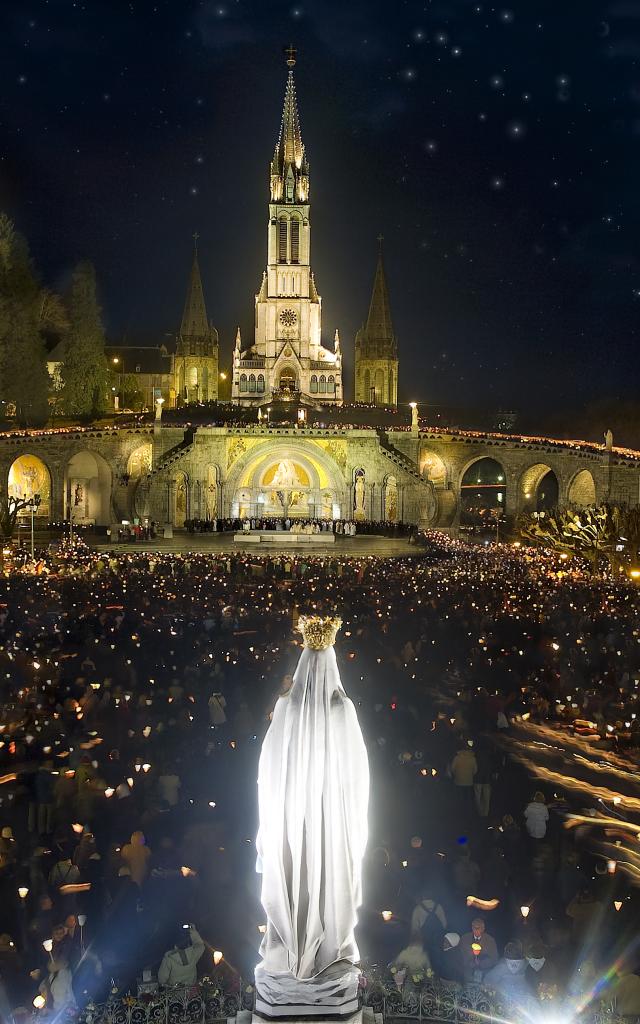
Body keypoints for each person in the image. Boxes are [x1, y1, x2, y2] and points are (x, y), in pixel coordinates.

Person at [460, 918, 498, 982]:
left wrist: (482, 963)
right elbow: (460, 954)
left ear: (483, 929)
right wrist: (469, 962)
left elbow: (494, 958)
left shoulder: (490, 941)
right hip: (467, 974)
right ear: (472, 928)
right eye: (474, 927)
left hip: (484, 973)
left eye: (479, 928)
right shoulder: (464, 939)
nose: (476, 930)